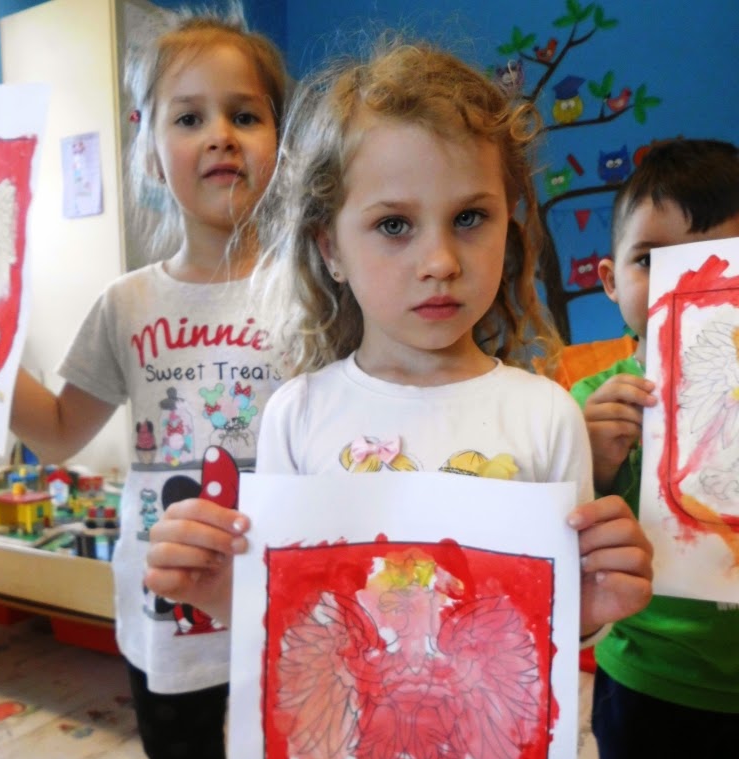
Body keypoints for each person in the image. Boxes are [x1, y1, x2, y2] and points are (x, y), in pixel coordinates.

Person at [144, 40, 653, 664]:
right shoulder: (297, 415)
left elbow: (546, 630)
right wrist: (221, 592)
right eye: (393, 225)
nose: (439, 262)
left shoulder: (548, 415)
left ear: (509, 226)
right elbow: (288, 621)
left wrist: (588, 607)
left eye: (470, 218)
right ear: (331, 248)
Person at [9, 9, 288, 759]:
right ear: (149, 147)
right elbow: (58, 433)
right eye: (190, 116)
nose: (220, 136)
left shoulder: (319, 288)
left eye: (245, 114)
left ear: (280, 140)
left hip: (286, 602)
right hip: (167, 615)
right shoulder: (125, 303)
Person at [570, 138, 739, 759]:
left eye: (723, 260)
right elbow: (558, 541)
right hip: (646, 682)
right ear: (611, 281)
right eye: (653, 261)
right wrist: (594, 460)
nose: (690, 283)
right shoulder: (591, 405)